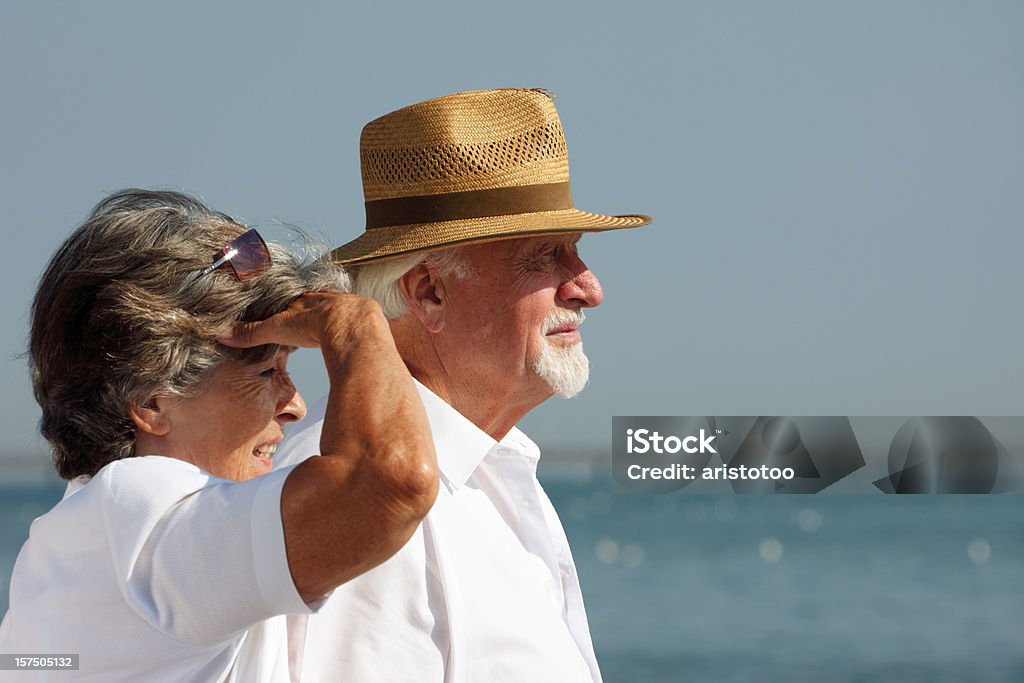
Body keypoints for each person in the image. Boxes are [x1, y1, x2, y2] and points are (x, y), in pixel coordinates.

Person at [275, 89, 650, 681]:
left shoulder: (493, 471)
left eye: (575, 254)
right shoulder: (354, 493)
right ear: (429, 292)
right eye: (546, 257)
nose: (588, 287)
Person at [0, 189, 438, 681]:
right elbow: (391, 484)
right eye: (266, 372)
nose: (295, 405)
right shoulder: (143, 511)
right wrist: (355, 325)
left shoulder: (74, 539)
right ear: (151, 401)